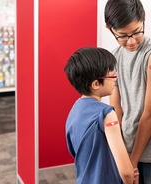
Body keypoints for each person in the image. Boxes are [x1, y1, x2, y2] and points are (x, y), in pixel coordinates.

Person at [64, 47, 138, 184]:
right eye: (111, 73)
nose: (115, 76)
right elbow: (127, 172)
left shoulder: (74, 110)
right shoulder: (106, 114)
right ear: (96, 83)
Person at [104, 0, 151, 183]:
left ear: (143, 20)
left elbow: (148, 114)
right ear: (110, 30)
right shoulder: (114, 57)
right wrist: (123, 154)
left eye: (137, 32)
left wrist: (131, 162)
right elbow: (116, 108)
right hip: (128, 148)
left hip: (147, 155)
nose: (131, 41)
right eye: (122, 35)